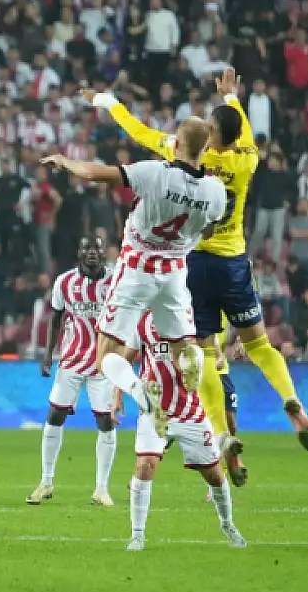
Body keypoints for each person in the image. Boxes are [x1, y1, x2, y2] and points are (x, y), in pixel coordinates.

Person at [98, 70, 308, 472]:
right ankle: (291, 400)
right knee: (260, 346)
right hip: (235, 262)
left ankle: (221, 434)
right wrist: (233, 97)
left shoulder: (196, 157)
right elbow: (244, 131)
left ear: (210, 133)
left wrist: (111, 105)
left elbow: (142, 134)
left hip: (195, 262)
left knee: (205, 355)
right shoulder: (247, 158)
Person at [41, 117, 228, 434]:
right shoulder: (215, 191)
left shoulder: (155, 174)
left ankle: (144, 394)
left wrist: (64, 161)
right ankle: (192, 358)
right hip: (174, 273)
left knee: (105, 359)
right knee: (182, 346)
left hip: (137, 269)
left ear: (177, 145)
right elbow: (208, 230)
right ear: (207, 147)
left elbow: (95, 174)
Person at [125, 311, 243, 552]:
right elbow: (126, 359)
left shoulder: (189, 318)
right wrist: (118, 396)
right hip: (154, 409)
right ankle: (137, 536)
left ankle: (227, 525)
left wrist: (214, 358)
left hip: (189, 411)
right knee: (145, 465)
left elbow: (207, 348)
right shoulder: (141, 321)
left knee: (213, 475)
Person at [29, 237, 119, 508]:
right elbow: (56, 319)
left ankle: (101, 489)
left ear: (104, 254)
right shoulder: (64, 282)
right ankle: (46, 481)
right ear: (79, 253)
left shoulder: (116, 282)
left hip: (103, 363)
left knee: (105, 421)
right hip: (71, 360)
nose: (92, 253)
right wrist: (48, 354)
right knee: (54, 415)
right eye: (87, 249)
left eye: (97, 249)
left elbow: (127, 318)